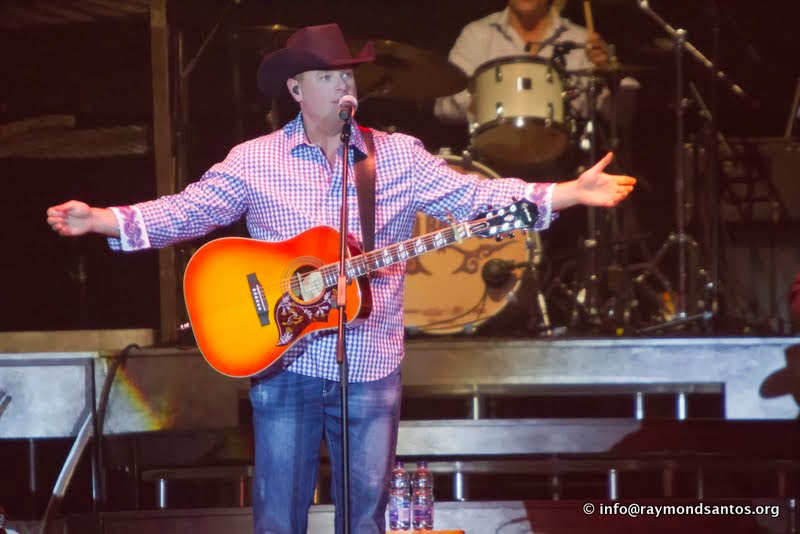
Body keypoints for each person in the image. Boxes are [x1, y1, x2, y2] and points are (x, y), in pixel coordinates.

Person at [46, 24, 635, 534]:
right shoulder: (255, 160)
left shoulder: (397, 157)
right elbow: (189, 211)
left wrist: (567, 192)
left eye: (348, 75)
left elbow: (477, 197)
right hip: (286, 359)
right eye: (327, 76)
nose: (342, 85)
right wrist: (103, 220)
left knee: (365, 520)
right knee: (279, 519)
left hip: (370, 361)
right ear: (296, 90)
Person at [434, 0, 631, 125]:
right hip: (490, 161)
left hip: (563, 164)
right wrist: (485, 102)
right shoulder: (477, 34)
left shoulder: (582, 40)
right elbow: (444, 107)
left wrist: (609, 74)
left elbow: (621, 116)